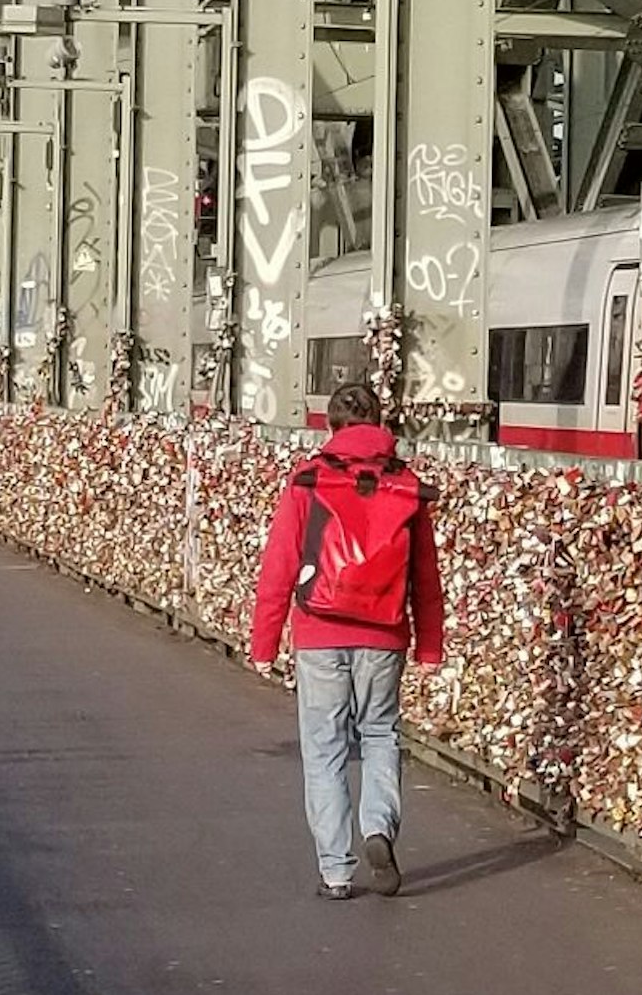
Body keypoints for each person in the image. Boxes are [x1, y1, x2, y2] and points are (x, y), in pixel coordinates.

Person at [248, 383, 445, 901]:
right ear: (379, 424)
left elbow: (280, 566)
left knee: (325, 749)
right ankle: (378, 825)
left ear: (331, 426)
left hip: (319, 630)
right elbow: (426, 574)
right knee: (380, 734)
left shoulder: (309, 479)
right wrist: (430, 645)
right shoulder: (406, 484)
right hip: (385, 633)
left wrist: (264, 643)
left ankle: (336, 872)